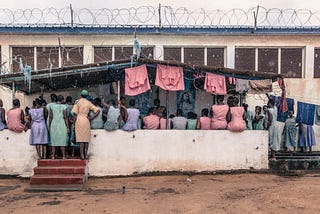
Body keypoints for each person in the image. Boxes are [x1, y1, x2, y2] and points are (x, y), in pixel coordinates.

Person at [72, 90, 100, 160]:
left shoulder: (77, 102)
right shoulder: (88, 103)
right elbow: (98, 110)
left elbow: (75, 114)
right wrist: (91, 118)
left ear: (81, 95)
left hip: (79, 120)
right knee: (86, 139)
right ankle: (86, 154)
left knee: (81, 139)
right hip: (86, 120)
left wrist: (73, 124)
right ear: (87, 96)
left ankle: (82, 155)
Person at [49, 95, 69, 159]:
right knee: (62, 140)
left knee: (53, 140)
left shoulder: (52, 107)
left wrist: (49, 126)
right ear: (62, 100)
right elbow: (65, 117)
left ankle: (53, 156)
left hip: (54, 124)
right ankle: (63, 156)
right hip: (62, 124)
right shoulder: (64, 107)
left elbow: (50, 117)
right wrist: (68, 127)